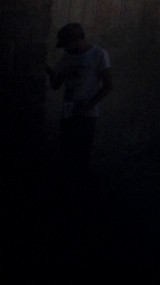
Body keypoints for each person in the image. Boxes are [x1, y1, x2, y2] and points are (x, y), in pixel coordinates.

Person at [44, 23, 113, 181]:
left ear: (78, 40)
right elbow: (56, 85)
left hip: (86, 116)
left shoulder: (98, 54)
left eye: (67, 44)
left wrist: (88, 106)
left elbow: (108, 86)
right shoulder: (68, 57)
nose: (65, 48)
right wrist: (49, 72)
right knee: (66, 153)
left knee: (81, 156)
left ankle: (80, 187)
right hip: (68, 113)